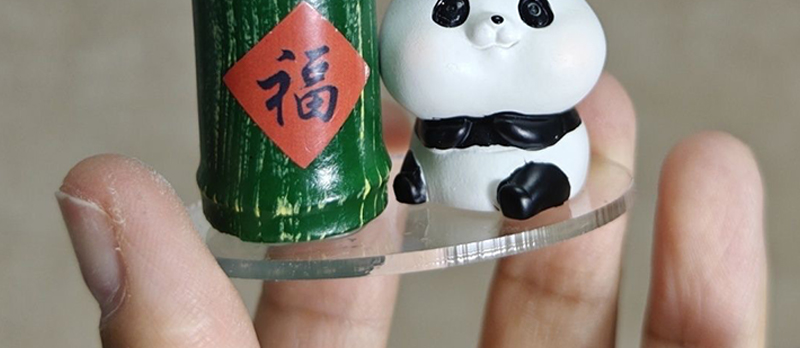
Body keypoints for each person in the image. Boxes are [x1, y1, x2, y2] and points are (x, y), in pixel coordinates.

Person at [56, 74, 767, 347]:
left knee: (538, 164)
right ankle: (434, 180)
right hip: (435, 165)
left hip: (543, 160)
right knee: (425, 159)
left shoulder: (549, 97)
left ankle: (525, 185)